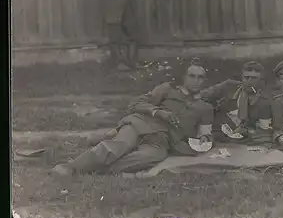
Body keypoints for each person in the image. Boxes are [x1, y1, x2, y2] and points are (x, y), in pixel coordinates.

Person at [51, 58, 214, 176]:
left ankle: (98, 169)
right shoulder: (167, 90)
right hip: (140, 124)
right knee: (119, 145)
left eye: (200, 78)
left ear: (205, 81)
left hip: (162, 140)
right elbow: (136, 104)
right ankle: (71, 167)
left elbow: (204, 134)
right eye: (192, 76)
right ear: (184, 77)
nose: (195, 81)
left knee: (150, 157)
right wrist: (158, 112)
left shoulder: (205, 108)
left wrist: (205, 140)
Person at [199, 61, 273, 145]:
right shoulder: (228, 86)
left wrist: (248, 131)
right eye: (246, 77)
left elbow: (263, 128)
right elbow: (201, 96)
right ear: (242, 77)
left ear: (261, 80)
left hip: (241, 140)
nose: (249, 81)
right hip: (215, 134)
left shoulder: (264, 100)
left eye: (254, 78)